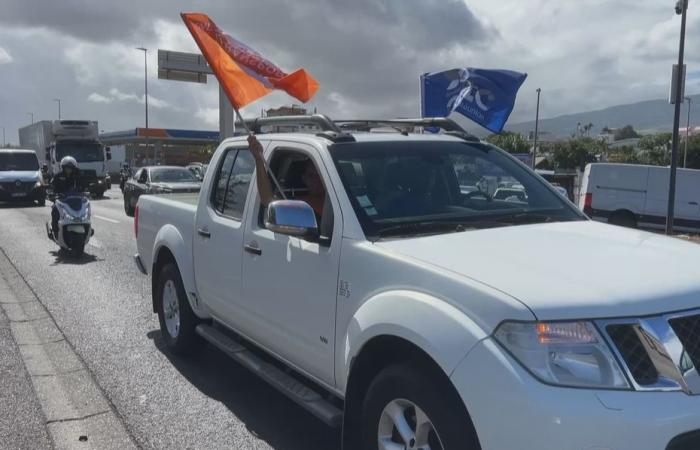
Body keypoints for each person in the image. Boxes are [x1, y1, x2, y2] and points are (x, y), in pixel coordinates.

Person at [248, 134, 326, 217]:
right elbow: (268, 200)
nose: (317, 180)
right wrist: (258, 159)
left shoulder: (335, 201)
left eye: (319, 175)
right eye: (312, 176)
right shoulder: (300, 204)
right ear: (304, 178)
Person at [50, 156, 82, 236]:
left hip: (75, 200)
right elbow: (52, 186)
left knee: (85, 209)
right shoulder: (57, 176)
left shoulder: (77, 176)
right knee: (54, 210)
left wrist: (86, 190)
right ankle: (55, 230)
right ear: (63, 168)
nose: (69, 169)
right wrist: (53, 193)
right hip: (61, 200)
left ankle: (87, 225)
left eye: (71, 168)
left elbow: (83, 185)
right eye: (67, 168)